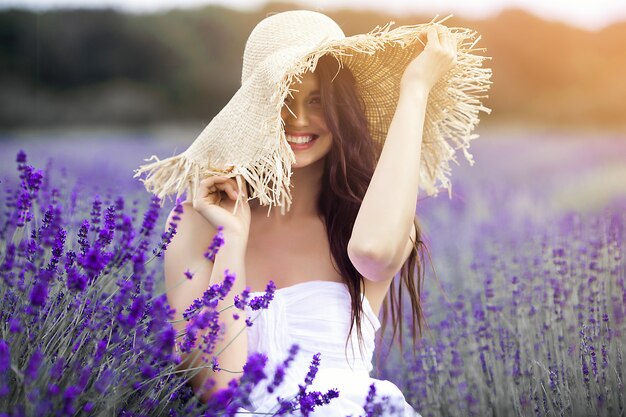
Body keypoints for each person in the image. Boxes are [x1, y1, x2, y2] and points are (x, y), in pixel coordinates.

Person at [137, 9, 491, 416]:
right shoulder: (198, 224)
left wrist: (413, 90)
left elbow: (374, 254)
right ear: (256, 111)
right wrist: (232, 240)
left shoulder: (369, 222)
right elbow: (220, 389)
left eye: (318, 100)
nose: (300, 119)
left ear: (342, 110)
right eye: (285, 98)